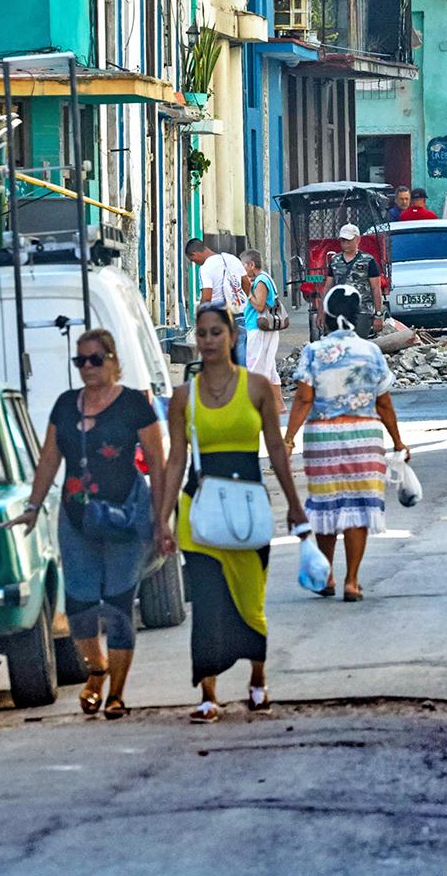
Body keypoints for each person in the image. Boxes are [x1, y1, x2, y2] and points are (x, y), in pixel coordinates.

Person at [6, 330, 166, 721]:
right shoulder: (64, 406)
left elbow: (158, 464)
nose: (88, 368)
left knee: (117, 605)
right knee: (78, 606)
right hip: (77, 520)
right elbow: (49, 459)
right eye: (81, 361)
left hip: (126, 519)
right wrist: (33, 505)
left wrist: (162, 521)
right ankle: (97, 671)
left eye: (95, 359)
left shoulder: (133, 405)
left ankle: (117, 694)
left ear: (113, 360)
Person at [157, 304, 305, 724]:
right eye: (201, 333)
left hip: (248, 508)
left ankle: (257, 681)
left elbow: (276, 450)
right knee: (206, 602)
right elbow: (174, 461)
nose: (208, 340)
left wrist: (294, 505)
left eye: (215, 332)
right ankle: (208, 695)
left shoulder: (257, 387)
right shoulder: (183, 398)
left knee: (249, 598)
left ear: (232, 337)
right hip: (199, 510)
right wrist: (162, 520)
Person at [283, 286, 408, 603]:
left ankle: (327, 576)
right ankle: (352, 581)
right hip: (364, 438)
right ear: (357, 317)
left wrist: (288, 438)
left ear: (324, 316)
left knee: (327, 507)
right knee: (357, 509)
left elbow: (303, 397)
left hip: (323, 439)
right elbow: (384, 404)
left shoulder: (313, 352)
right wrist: (398, 442)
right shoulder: (371, 352)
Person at [186, 238, 250, 361]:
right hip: (238, 312)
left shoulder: (205, 268)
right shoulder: (232, 259)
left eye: (193, 260)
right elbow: (246, 283)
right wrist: (240, 302)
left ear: (195, 254)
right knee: (240, 349)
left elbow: (206, 297)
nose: (195, 263)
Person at [240, 249, 283, 411]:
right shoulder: (263, 279)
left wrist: (248, 291)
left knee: (255, 366)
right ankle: (279, 405)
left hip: (258, 328)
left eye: (243, 265)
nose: (242, 269)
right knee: (269, 368)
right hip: (262, 329)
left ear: (251, 265)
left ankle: (257, 405)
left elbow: (259, 305)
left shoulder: (261, 281)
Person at [322, 224, 384, 335]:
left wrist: (378, 315)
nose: (345, 244)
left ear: (358, 239)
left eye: (348, 240)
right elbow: (328, 286)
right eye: (343, 241)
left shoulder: (368, 261)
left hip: (362, 311)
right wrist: (322, 312)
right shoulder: (335, 261)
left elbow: (376, 288)